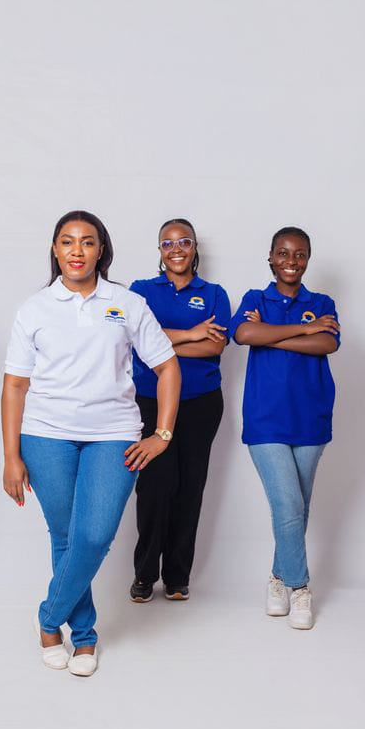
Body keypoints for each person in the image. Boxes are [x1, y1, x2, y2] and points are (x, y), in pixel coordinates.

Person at [1, 210, 180, 676]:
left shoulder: (127, 303)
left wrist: (161, 434)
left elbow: (167, 366)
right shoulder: (34, 308)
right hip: (45, 435)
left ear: (101, 250)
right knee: (66, 536)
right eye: (67, 241)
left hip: (113, 434)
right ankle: (83, 637)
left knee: (94, 535)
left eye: (87, 241)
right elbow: (15, 385)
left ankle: (48, 618)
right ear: (55, 249)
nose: (77, 251)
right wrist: (11, 456)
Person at [229, 226, 339, 629]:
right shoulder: (255, 299)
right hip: (266, 420)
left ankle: (277, 578)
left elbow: (327, 343)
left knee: (297, 508)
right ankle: (300, 587)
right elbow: (243, 333)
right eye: (283, 253)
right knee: (289, 505)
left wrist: (271, 335)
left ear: (307, 259)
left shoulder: (322, 302)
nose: (291, 261)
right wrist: (305, 329)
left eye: (300, 254)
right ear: (271, 257)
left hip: (311, 417)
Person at [129, 218, 230, 603]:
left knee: (189, 487)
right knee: (155, 486)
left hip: (201, 402)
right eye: (168, 243)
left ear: (194, 248)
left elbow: (215, 346)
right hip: (149, 400)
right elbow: (135, 340)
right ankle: (144, 574)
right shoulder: (140, 291)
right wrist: (190, 334)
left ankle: (177, 576)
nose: (176, 249)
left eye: (184, 242)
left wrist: (159, 339)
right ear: (159, 250)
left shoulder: (214, 293)